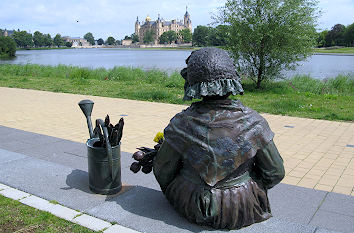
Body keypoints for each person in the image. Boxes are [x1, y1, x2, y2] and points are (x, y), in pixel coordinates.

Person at [153, 47, 285, 230]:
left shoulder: (181, 123)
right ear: (232, 81)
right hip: (241, 206)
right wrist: (247, 187)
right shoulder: (254, 122)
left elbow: (163, 170)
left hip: (189, 201)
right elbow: (275, 172)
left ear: (192, 84)